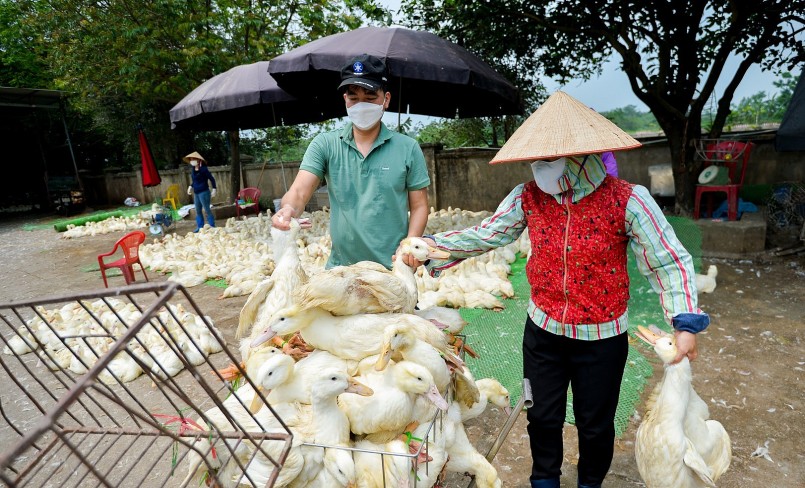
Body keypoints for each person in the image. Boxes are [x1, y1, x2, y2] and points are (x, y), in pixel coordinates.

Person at [411, 91, 709, 488]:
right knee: (543, 416)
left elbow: (667, 259)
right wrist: (432, 248)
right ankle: (545, 481)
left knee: (595, 423)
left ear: (579, 158)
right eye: (535, 160)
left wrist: (684, 323)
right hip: (544, 333)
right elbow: (489, 233)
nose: (539, 168)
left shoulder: (627, 200)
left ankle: (589, 483)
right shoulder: (528, 197)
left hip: (601, 339)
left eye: (548, 160)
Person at [271, 54, 431, 270]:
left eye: (370, 96)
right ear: (345, 100)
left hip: (392, 270)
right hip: (341, 271)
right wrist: (288, 209)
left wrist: (409, 247)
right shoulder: (325, 145)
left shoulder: (408, 148)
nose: (361, 104)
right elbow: (299, 192)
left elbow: (420, 206)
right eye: (353, 97)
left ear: (386, 99)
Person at [183, 151, 217, 231]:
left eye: (193, 159)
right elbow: (195, 181)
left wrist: (214, 189)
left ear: (198, 160)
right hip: (196, 193)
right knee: (198, 210)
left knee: (206, 209)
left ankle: (212, 226)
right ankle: (200, 227)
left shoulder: (204, 169)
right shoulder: (193, 169)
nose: (191, 161)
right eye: (190, 159)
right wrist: (190, 186)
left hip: (204, 192)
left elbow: (212, 179)